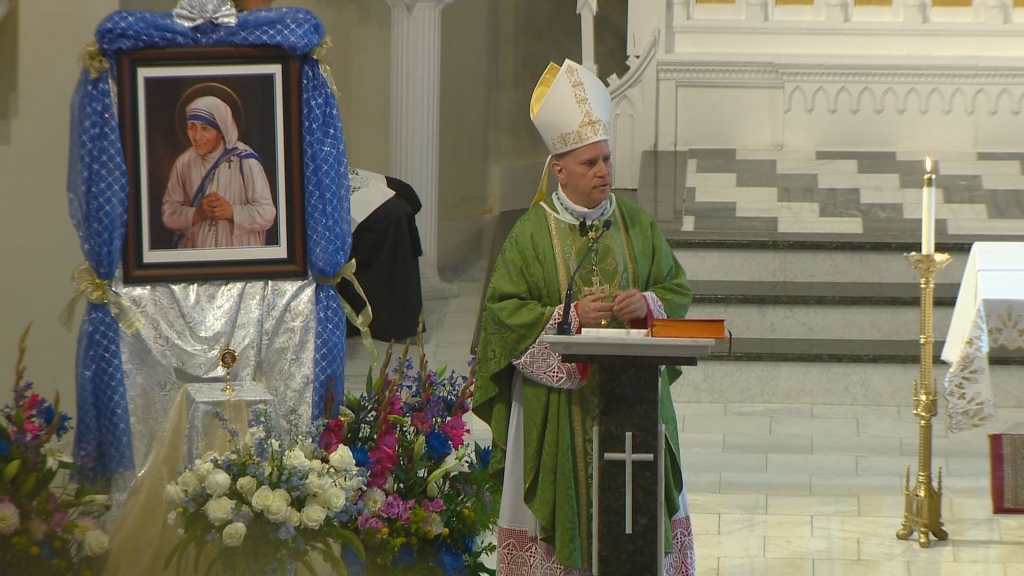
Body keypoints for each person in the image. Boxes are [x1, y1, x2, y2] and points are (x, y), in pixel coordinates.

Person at [473, 59, 696, 575]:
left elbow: (676, 288)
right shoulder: (530, 234)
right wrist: (566, 316)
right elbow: (501, 318)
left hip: (633, 406)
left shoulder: (636, 224)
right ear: (560, 169)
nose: (604, 172)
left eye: (607, 159)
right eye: (590, 163)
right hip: (557, 414)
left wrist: (648, 305)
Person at [161, 95, 277, 249]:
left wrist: (231, 212)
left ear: (221, 130)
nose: (196, 136)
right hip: (196, 252)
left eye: (205, 128)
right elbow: (168, 214)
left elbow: (267, 213)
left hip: (238, 253)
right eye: (192, 127)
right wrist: (197, 214)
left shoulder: (245, 160)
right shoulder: (184, 163)